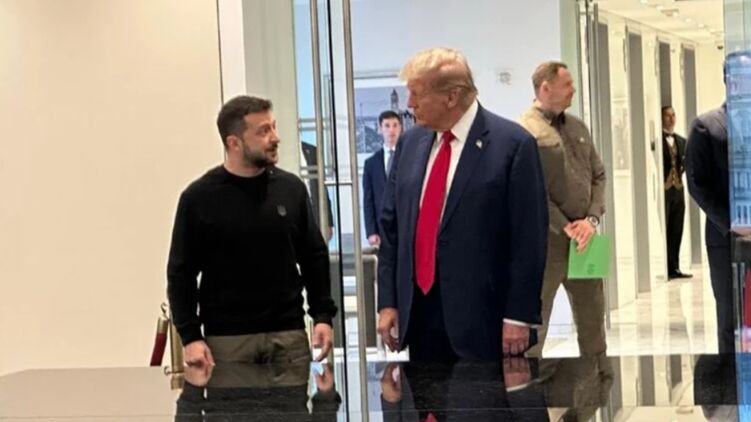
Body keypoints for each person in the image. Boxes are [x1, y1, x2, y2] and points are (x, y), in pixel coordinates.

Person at [376, 47, 548, 362]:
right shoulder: (410, 144)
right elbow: (392, 228)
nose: (410, 104)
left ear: (451, 97)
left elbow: (529, 239)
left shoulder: (513, 145)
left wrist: (519, 315)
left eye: (417, 94)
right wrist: (388, 301)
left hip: (485, 320)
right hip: (419, 315)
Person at [167, 95, 337, 368]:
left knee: (294, 398)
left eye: (273, 127)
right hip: (226, 342)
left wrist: (322, 316)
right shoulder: (199, 198)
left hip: (288, 337)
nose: (275, 137)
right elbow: (181, 273)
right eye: (263, 131)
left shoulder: (291, 189)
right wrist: (190, 336)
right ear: (234, 143)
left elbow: (313, 256)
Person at [518, 61, 607, 358]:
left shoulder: (578, 127)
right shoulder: (525, 131)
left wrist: (590, 220)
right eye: (567, 84)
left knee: (593, 324)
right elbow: (531, 191)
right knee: (535, 327)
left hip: (586, 242)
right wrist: (566, 226)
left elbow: (599, 175)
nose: (573, 90)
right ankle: (527, 386)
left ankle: (599, 382)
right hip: (546, 246)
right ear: (546, 88)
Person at [685, 103, 735, 353]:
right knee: (730, 313)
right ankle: (730, 372)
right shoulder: (706, 126)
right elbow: (697, 184)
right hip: (726, 238)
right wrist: (732, 224)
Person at [363, 110, 403, 246]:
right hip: (381, 229)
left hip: (405, 225)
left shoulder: (409, 158)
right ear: (380, 129)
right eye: (387, 126)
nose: (391, 130)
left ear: (400, 128)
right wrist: (371, 231)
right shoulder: (371, 163)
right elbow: (368, 200)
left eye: (395, 125)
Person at [661, 105, 692, 279]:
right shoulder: (658, 141)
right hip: (664, 191)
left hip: (678, 190)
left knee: (677, 228)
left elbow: (685, 163)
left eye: (673, 115)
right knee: (666, 228)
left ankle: (675, 266)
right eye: (667, 115)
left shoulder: (682, 141)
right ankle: (666, 266)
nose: (671, 119)